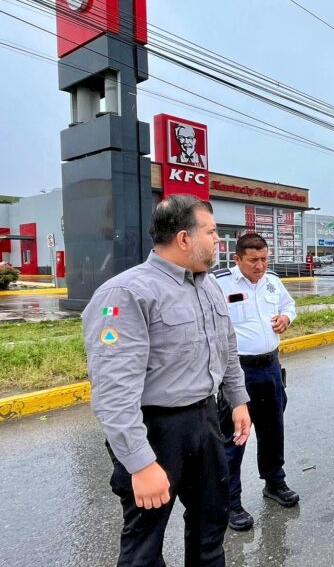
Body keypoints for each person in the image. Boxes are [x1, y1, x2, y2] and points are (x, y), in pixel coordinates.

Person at [82, 194, 251, 566]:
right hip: (156, 431)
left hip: (206, 421)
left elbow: (227, 345)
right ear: (184, 238)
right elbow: (114, 392)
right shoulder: (125, 294)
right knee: (144, 544)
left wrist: (237, 400)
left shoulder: (207, 285)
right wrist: (140, 464)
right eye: (212, 232)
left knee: (211, 530)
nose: (218, 240)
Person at [214, 232, 300, 531]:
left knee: (273, 429)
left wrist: (286, 319)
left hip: (271, 367)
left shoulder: (273, 281)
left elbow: (290, 306)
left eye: (264, 259)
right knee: (234, 437)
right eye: (253, 260)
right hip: (238, 371)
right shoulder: (220, 283)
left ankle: (274, 483)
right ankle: (230, 501)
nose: (260, 266)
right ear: (237, 259)